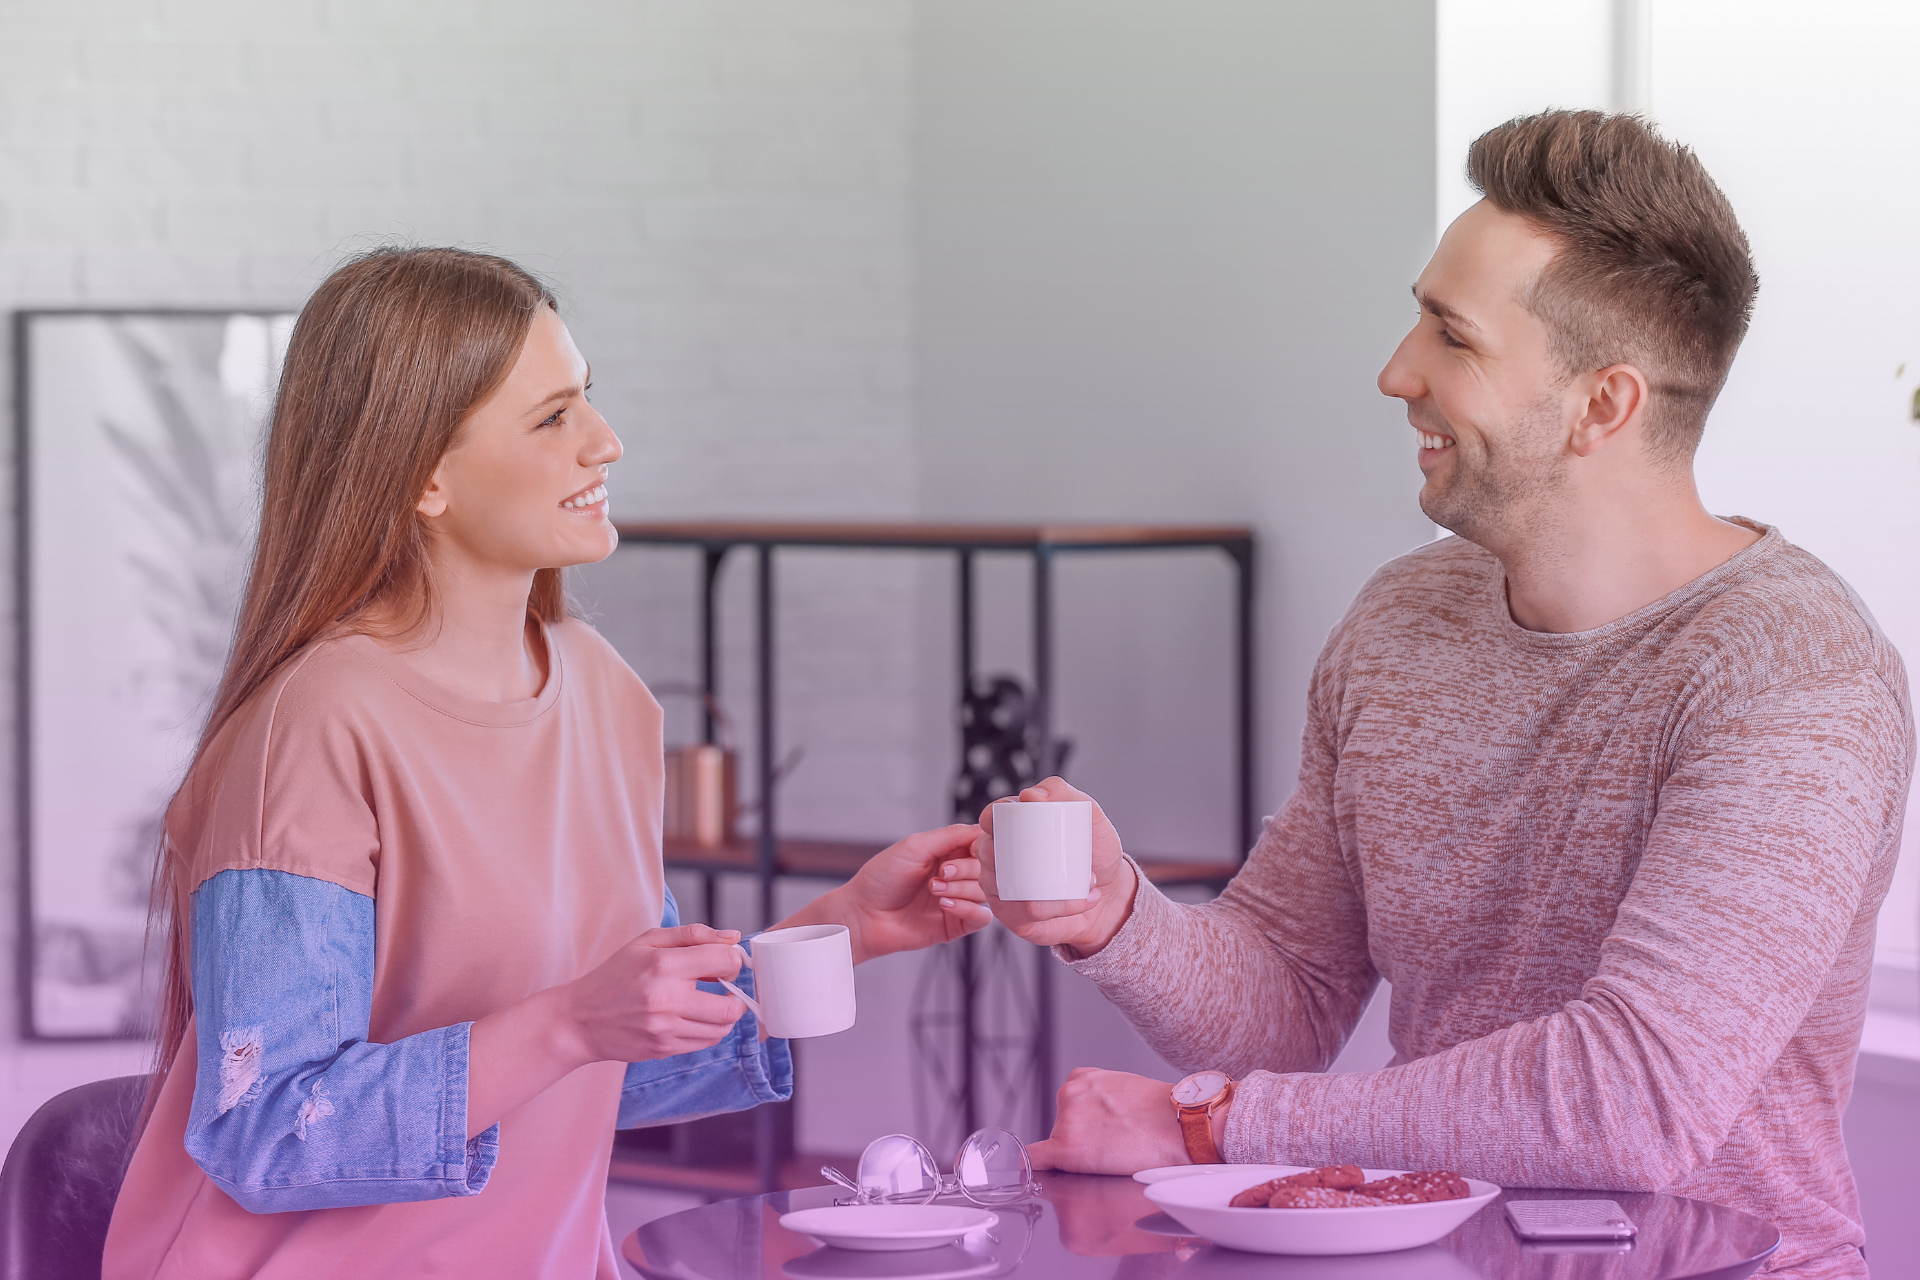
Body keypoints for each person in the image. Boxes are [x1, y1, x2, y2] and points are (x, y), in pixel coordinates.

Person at [975, 111, 1912, 1279]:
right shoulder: (1404, 619)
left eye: (1452, 337)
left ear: (1602, 405)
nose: (1395, 370)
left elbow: (1632, 1097)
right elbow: (1290, 997)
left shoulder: (1790, 671)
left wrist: (1213, 1123)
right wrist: (1121, 919)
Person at [103, 247, 990, 1280]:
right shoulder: (315, 722)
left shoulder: (603, 692)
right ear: (423, 475)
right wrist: (565, 1021)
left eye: (589, 404)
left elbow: (606, 1067)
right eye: (552, 417)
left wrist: (844, 932)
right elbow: (270, 1131)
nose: (604, 443)